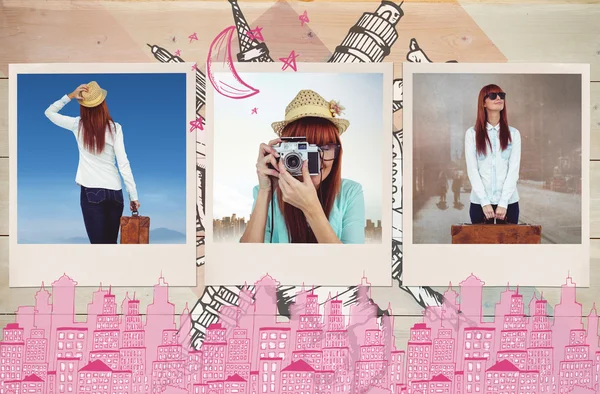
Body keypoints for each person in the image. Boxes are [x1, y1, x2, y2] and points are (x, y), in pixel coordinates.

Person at [240, 89, 365, 244]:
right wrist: (265, 191)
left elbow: (354, 264)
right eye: (303, 151)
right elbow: (247, 260)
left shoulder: (350, 192)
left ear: (337, 152)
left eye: (325, 148)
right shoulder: (265, 192)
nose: (314, 161)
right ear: (281, 151)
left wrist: (311, 208)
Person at [44, 81, 140, 244]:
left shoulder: (78, 125)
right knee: (110, 244)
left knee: (97, 247)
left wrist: (70, 96)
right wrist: (133, 195)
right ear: (103, 104)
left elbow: (50, 112)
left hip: (91, 192)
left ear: (84, 105)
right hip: (115, 193)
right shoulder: (115, 128)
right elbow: (124, 164)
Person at [464, 84, 521, 224]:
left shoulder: (513, 134)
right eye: (492, 95)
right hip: (480, 204)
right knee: (481, 245)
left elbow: (513, 170)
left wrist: (503, 202)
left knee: (509, 245)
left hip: (508, 203)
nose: (498, 98)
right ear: (483, 102)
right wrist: (484, 202)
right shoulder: (472, 134)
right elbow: (472, 170)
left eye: (501, 96)